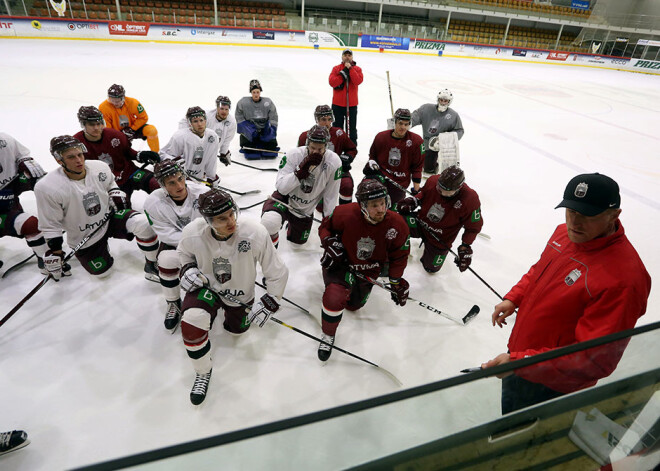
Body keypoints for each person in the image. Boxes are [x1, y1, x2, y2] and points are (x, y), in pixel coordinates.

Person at [482, 173, 651, 414]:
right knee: (509, 423)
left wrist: (520, 363)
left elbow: (593, 359)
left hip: (552, 384)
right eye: (571, 211)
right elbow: (539, 269)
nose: (575, 222)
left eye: (587, 215)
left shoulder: (624, 280)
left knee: (526, 443)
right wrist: (514, 297)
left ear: (614, 215)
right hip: (523, 358)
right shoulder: (564, 233)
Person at [177, 188, 288, 405]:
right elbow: (183, 253)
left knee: (237, 331)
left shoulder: (255, 233)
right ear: (207, 221)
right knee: (192, 323)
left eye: (232, 214)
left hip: (240, 294)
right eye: (221, 218)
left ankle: (226, 316)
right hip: (207, 288)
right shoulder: (192, 232)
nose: (231, 222)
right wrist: (187, 268)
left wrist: (271, 301)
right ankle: (202, 371)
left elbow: (277, 271)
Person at [34, 135, 159, 280]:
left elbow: (111, 184)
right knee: (103, 273)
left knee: (143, 224)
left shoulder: (99, 167)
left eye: (80, 154)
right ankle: (100, 250)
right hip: (85, 236)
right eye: (71, 157)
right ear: (59, 160)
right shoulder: (47, 187)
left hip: (109, 218)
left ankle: (152, 264)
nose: (79, 160)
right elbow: (50, 224)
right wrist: (55, 252)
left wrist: (115, 192)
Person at [317, 179, 411, 361]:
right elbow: (325, 228)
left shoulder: (397, 224)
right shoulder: (344, 213)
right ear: (362, 206)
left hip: (368, 271)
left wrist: (396, 281)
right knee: (335, 298)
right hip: (341, 265)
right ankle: (328, 335)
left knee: (354, 306)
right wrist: (328, 241)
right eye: (374, 205)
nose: (381, 209)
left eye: (383, 203)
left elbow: (399, 256)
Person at [143, 160, 208, 331]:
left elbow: (214, 223)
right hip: (179, 244)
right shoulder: (152, 203)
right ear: (162, 185)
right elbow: (166, 235)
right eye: (172, 182)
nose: (179, 185)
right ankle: (173, 302)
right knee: (164, 259)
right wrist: (194, 246)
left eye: (180, 178)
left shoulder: (203, 193)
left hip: (208, 241)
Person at [260, 125, 342, 247]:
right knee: (270, 222)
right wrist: (298, 173)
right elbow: (281, 188)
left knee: (298, 243)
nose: (315, 152)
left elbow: (331, 195)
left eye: (320, 149)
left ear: (326, 146)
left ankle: (291, 226)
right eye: (313, 148)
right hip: (284, 200)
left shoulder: (334, 162)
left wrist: (328, 222)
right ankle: (271, 253)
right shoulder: (294, 155)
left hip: (305, 210)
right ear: (307, 144)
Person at [397, 166, 482, 274]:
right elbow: (424, 193)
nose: (441, 193)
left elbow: (473, 227)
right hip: (421, 223)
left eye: (447, 192)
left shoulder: (470, 199)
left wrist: (465, 246)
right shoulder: (433, 180)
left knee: (431, 269)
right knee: (397, 224)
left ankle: (430, 252)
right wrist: (414, 200)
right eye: (439, 188)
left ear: (458, 188)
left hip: (440, 238)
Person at [74, 106, 160, 199]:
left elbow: (127, 152)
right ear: (83, 124)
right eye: (91, 124)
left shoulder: (115, 135)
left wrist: (139, 155)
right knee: (122, 207)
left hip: (129, 173)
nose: (96, 128)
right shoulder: (76, 145)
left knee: (158, 185)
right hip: (106, 184)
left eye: (99, 123)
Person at [0, 132, 52, 274]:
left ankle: (47, 260)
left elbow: (21, 154)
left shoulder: (5, 140)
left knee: (30, 224)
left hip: (9, 211)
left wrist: (26, 162)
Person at [297, 105, 357, 205]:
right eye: (323, 119)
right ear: (316, 119)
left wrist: (347, 157)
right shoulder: (305, 136)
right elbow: (300, 156)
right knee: (320, 206)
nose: (327, 123)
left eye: (330, 119)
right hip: (314, 171)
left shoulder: (339, 133)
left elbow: (351, 149)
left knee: (347, 185)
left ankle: (344, 209)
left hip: (334, 169)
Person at [363, 108, 424, 205]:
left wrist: (416, 190)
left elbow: (417, 167)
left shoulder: (416, 141)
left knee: (391, 212)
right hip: (380, 177)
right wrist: (372, 162)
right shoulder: (381, 137)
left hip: (399, 183)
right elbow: (372, 156)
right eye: (400, 123)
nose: (403, 127)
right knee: (368, 199)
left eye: (406, 124)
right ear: (394, 122)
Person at [160, 106, 220, 186]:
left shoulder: (212, 136)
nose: (199, 124)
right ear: (190, 123)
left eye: (201, 120)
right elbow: (163, 154)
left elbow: (211, 159)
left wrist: (211, 177)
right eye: (195, 121)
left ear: (205, 121)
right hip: (180, 180)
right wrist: (173, 161)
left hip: (198, 179)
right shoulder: (180, 137)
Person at [411, 88, 464, 174]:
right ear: (438, 99)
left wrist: (444, 139)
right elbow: (414, 118)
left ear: (449, 101)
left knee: (446, 169)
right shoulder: (426, 109)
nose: (443, 102)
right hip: (427, 145)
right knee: (428, 168)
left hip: (443, 148)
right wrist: (403, 121)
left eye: (445, 101)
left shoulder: (453, 115)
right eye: (441, 100)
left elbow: (460, 131)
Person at [99, 84, 160, 152]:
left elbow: (143, 117)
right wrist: (118, 135)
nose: (114, 103)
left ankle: (156, 155)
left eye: (117, 101)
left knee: (152, 130)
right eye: (111, 100)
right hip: (116, 133)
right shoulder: (103, 107)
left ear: (123, 98)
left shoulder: (133, 102)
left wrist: (132, 129)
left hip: (134, 129)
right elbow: (107, 127)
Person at [178, 95, 236, 167]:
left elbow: (227, 139)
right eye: (221, 108)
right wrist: (188, 136)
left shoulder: (231, 122)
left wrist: (224, 152)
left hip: (210, 150)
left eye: (226, 109)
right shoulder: (206, 115)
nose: (224, 111)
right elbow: (183, 121)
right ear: (217, 108)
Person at [235, 79, 279, 160]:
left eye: (257, 92)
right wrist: (246, 128)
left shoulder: (268, 102)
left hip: (264, 130)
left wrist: (271, 129)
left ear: (260, 92)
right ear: (251, 93)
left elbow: (273, 117)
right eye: (254, 92)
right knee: (248, 145)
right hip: (250, 130)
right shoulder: (243, 102)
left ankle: (266, 140)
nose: (256, 94)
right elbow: (239, 117)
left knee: (271, 144)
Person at [329, 48, 363, 144]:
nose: (347, 57)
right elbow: (332, 82)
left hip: (351, 104)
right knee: (337, 126)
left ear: (352, 57)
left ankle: (351, 145)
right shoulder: (336, 69)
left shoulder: (357, 69)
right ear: (342, 57)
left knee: (351, 126)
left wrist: (350, 69)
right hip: (337, 104)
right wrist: (343, 72)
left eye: (349, 55)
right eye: (345, 55)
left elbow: (357, 81)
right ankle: (337, 143)